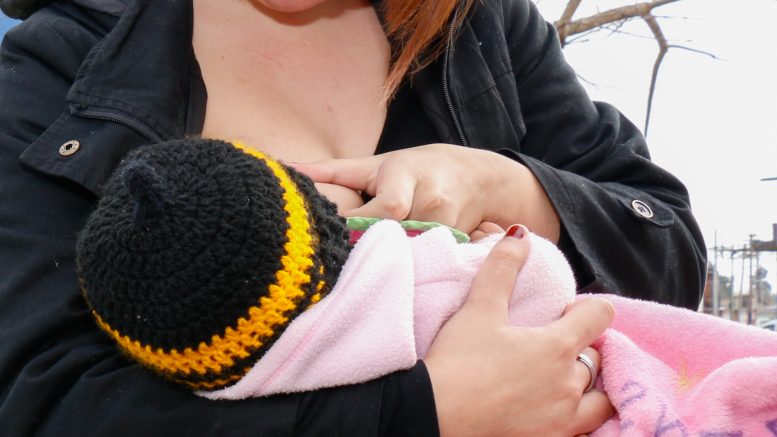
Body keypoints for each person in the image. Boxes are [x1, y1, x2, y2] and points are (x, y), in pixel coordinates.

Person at [0, 0, 706, 435]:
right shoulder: (61, 64)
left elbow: (668, 254)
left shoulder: (476, 25)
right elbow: (39, 400)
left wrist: (511, 185)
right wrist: (426, 413)